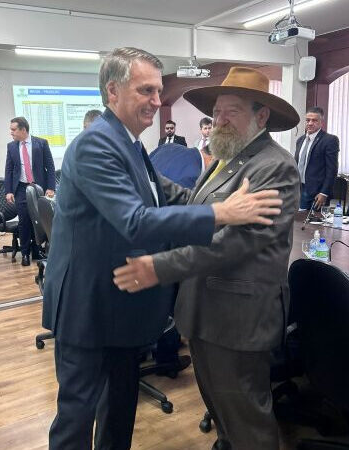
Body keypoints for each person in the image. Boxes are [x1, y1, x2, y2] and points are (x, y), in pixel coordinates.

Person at [42, 49, 283, 450]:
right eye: (147, 90)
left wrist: (206, 201)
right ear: (113, 91)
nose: (157, 101)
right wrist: (220, 212)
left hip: (121, 304)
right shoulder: (96, 145)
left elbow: (162, 192)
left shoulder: (132, 143)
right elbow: (135, 220)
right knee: (77, 417)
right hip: (89, 306)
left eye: (159, 90)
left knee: (119, 410)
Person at [114, 66, 301, 450]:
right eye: (216, 112)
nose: (219, 120)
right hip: (206, 311)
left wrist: (158, 267)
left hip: (239, 320)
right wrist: (143, 171)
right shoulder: (227, 156)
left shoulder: (273, 166)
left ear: (261, 115)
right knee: (221, 411)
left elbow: (234, 242)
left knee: (248, 420)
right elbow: (193, 203)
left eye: (230, 111)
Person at [4, 117, 56, 266]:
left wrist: (51, 188)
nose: (11, 133)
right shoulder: (12, 147)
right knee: (24, 220)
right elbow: (9, 170)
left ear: (23, 129)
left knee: (39, 220)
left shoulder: (41, 143)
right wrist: (8, 190)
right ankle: (25, 253)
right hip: (21, 188)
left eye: (13, 130)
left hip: (39, 187)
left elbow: (50, 167)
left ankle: (38, 250)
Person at [295, 107, 339, 210]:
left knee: (316, 225)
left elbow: (332, 169)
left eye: (314, 120)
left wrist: (324, 192)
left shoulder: (330, 140)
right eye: (308, 120)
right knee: (298, 222)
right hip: (299, 190)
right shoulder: (300, 140)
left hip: (317, 194)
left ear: (321, 123)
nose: (310, 123)